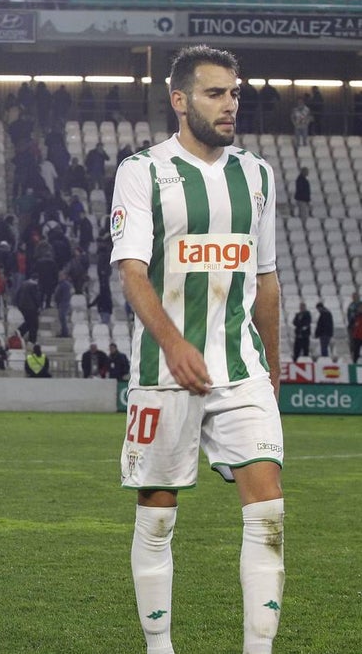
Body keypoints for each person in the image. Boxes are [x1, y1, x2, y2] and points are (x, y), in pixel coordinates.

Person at [110, 45, 284, 654]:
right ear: (180, 101)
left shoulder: (257, 175)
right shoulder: (143, 172)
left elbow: (265, 279)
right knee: (157, 514)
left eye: (235, 93)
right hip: (165, 370)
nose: (230, 104)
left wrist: (274, 366)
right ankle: (161, 649)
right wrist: (175, 343)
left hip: (241, 369)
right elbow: (132, 271)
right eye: (215, 93)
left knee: (269, 512)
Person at [347, 292, 362, 363]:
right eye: (353, 296)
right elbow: (349, 316)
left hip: (359, 329)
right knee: (354, 345)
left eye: (356, 296)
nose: (354, 298)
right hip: (353, 328)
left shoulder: (360, 304)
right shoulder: (351, 305)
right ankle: (354, 359)